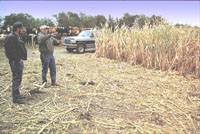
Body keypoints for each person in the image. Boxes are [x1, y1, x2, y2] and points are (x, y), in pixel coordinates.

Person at [4, 22, 27, 104]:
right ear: (18, 29)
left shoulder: (16, 36)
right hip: (15, 62)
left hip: (18, 61)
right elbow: (10, 52)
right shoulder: (11, 37)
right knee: (16, 78)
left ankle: (17, 95)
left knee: (18, 78)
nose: (22, 30)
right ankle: (16, 98)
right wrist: (17, 59)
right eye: (21, 28)